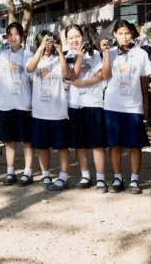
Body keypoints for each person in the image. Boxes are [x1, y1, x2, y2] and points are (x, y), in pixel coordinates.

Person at [101, 20, 150, 194]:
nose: (124, 36)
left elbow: (144, 78)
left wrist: (145, 101)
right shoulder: (110, 52)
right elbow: (105, 75)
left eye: (127, 33)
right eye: (120, 33)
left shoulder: (141, 54)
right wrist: (106, 53)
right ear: (115, 34)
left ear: (133, 34)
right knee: (114, 144)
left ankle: (134, 179)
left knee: (135, 144)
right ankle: (117, 178)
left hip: (133, 105)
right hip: (112, 104)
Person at [0, 22, 35, 187]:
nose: (13, 37)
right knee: (9, 140)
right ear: (6, 37)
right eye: (10, 34)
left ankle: (28, 172)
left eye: (16, 34)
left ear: (22, 36)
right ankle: (10, 171)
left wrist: (34, 103)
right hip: (6, 104)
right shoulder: (2, 54)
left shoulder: (28, 55)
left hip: (24, 104)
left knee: (27, 140)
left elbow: (32, 79)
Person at [64, 24, 109, 193]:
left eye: (77, 36)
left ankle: (101, 178)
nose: (75, 40)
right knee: (80, 144)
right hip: (74, 103)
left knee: (97, 143)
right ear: (67, 40)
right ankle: (85, 176)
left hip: (93, 102)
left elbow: (102, 75)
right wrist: (79, 58)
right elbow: (69, 76)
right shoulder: (65, 56)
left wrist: (83, 83)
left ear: (82, 37)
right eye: (71, 38)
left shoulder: (95, 54)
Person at [26, 30, 70, 191]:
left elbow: (67, 73)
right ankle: (46, 174)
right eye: (44, 42)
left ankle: (63, 176)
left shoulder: (59, 60)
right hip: (39, 111)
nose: (47, 46)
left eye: (50, 43)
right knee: (42, 146)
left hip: (58, 111)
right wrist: (40, 48)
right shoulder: (34, 59)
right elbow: (30, 69)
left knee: (62, 146)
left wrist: (60, 51)